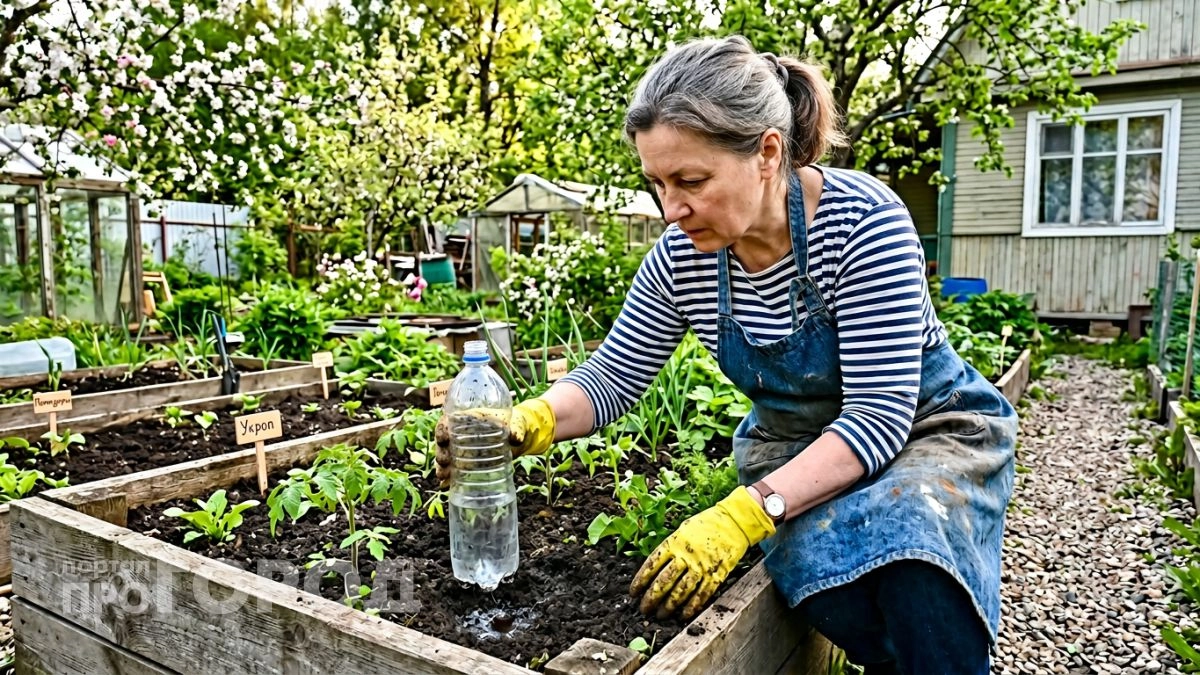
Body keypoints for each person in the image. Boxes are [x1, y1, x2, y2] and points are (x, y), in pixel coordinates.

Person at [437, 35, 1016, 675]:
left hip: (927, 427)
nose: (671, 208)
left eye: (691, 180)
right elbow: (610, 380)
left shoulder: (860, 222)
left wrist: (747, 512)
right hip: (797, 447)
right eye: (657, 182)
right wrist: (531, 420)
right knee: (834, 588)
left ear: (768, 152)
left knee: (917, 564)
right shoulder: (682, 259)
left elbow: (880, 416)